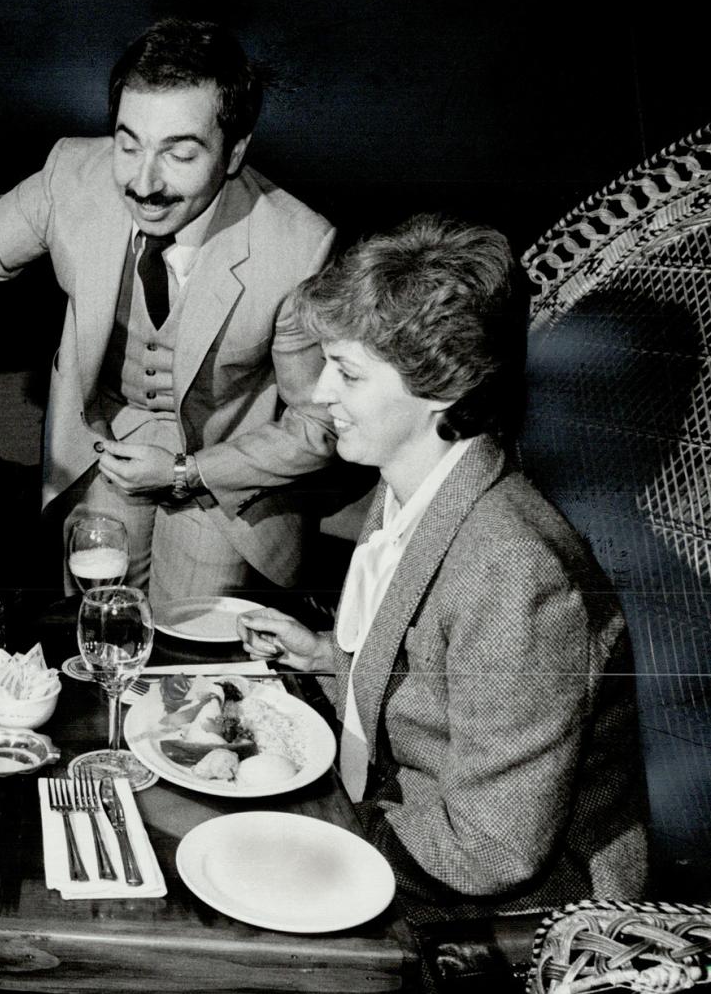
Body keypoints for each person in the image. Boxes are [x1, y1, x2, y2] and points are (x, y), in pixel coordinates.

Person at [235, 215, 647, 923]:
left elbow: (493, 847)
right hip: (411, 834)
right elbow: (437, 688)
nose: (317, 394)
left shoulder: (514, 570)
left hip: (515, 916)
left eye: (348, 372)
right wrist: (331, 661)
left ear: (441, 386)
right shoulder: (407, 487)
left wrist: (324, 837)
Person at [0, 18, 336, 607]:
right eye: (129, 144)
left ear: (235, 153)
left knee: (192, 666)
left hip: (224, 483)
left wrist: (185, 473)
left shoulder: (297, 246)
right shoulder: (70, 178)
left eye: (179, 153)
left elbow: (318, 426)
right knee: (97, 634)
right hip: (101, 453)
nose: (144, 182)